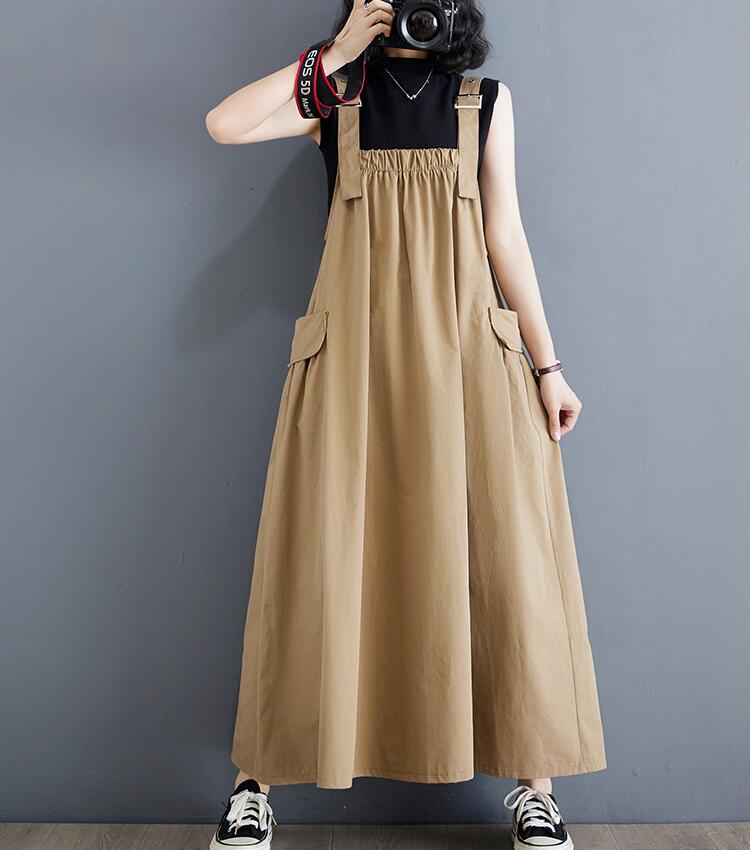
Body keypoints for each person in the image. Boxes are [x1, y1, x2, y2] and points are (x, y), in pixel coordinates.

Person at [204, 2, 606, 848]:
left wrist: (549, 366)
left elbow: (505, 236)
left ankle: (536, 789)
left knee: (505, 560)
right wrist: (335, 52)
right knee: (313, 556)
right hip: (351, 362)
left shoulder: (483, 102)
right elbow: (225, 125)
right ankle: (253, 785)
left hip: (468, 360)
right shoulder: (335, 99)